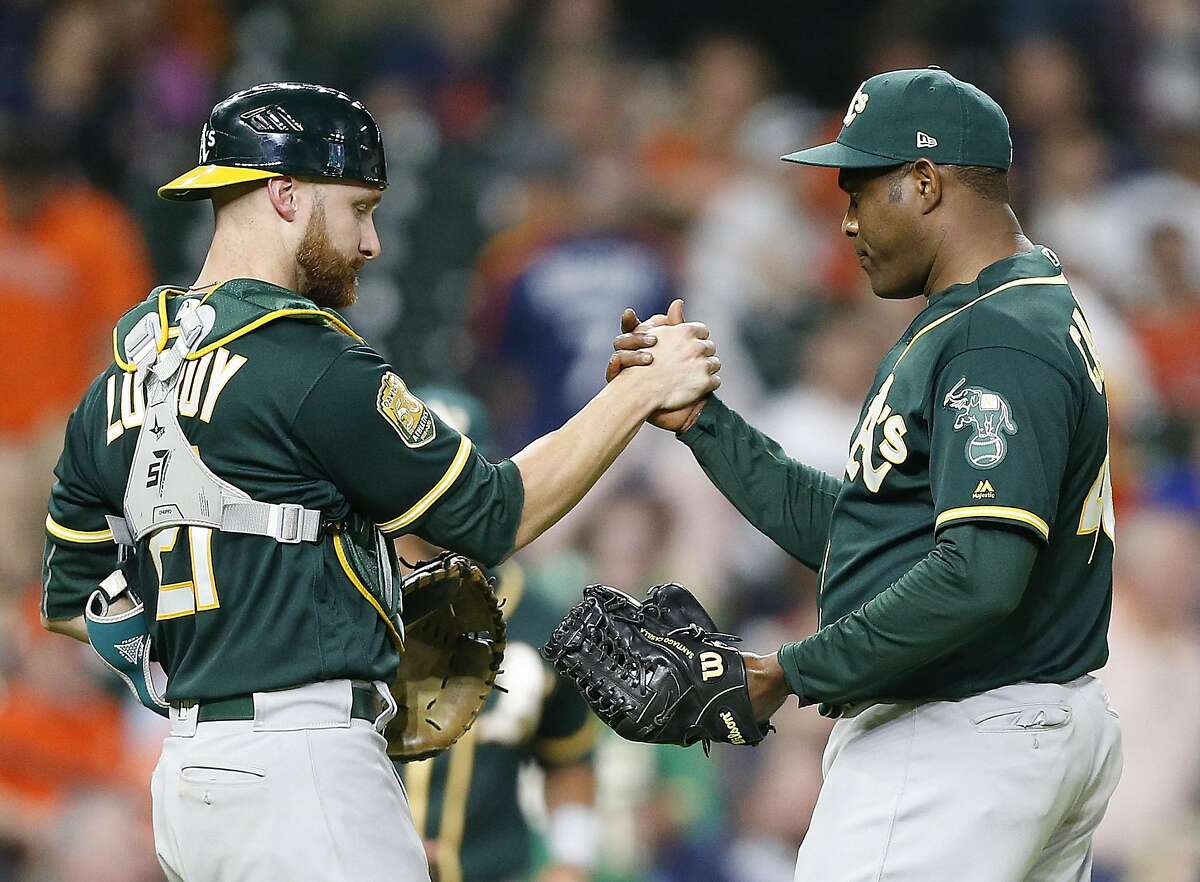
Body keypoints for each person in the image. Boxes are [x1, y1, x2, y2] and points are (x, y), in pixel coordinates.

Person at [40, 82, 719, 882]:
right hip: (304, 768)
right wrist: (640, 387)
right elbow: (497, 515)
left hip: (190, 780)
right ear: (284, 194)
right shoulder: (307, 361)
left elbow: (75, 602)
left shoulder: (123, 378)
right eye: (359, 207)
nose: (372, 242)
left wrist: (211, 660)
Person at [609, 67, 1122, 880]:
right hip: (1005, 729)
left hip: (962, 733)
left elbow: (980, 575)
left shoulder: (995, 337)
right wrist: (704, 424)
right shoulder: (993, 311)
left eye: (860, 191)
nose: (845, 222)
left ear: (924, 183)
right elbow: (865, 531)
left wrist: (786, 671)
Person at [395, 388, 598, 882]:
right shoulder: (347, 596)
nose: (435, 493)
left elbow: (569, 755)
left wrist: (570, 861)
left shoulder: (544, 621)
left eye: (450, 476)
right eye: (421, 472)